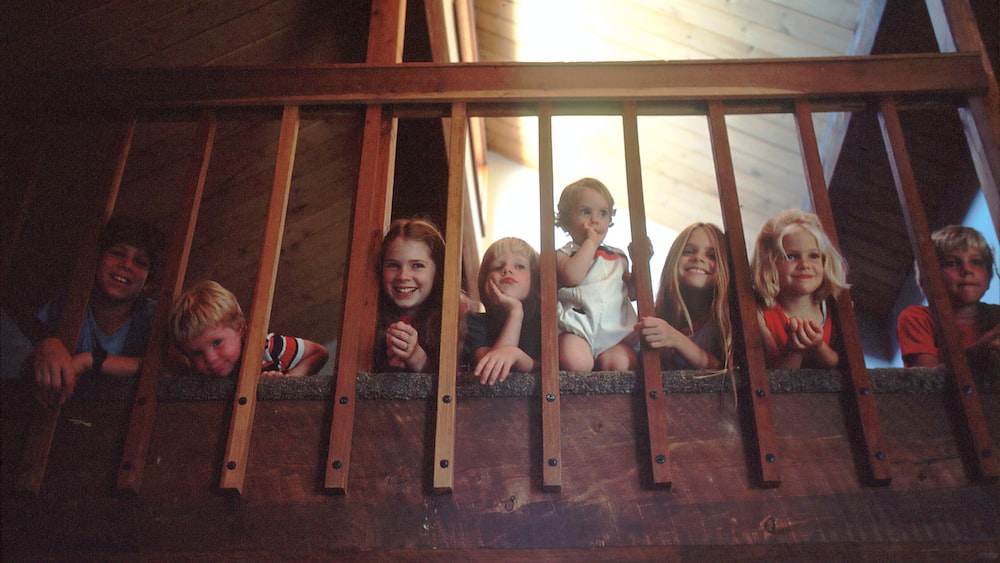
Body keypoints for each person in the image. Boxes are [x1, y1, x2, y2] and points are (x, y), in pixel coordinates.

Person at [32, 216, 166, 406]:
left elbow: (170, 366)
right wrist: (46, 344)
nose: (127, 265)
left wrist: (91, 361)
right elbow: (30, 356)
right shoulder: (69, 303)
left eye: (140, 262)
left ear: (149, 280)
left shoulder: (153, 317)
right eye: (118, 253)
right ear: (97, 260)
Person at [555, 177, 638, 372]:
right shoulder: (563, 254)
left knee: (622, 364)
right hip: (577, 327)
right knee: (576, 362)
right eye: (585, 212)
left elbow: (632, 293)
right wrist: (591, 243)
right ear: (566, 220)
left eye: (603, 213)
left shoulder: (618, 256)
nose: (595, 219)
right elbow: (572, 277)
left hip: (614, 333)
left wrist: (640, 262)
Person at [167, 280, 328, 377]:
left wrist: (289, 380)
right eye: (197, 353)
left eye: (217, 342)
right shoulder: (198, 373)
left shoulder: (268, 347)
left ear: (240, 329)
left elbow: (319, 353)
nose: (210, 358)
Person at [751, 209, 849, 369]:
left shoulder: (834, 309)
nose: (804, 265)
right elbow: (775, 379)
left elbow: (845, 367)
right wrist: (795, 350)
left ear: (825, 262)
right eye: (791, 256)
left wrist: (819, 347)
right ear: (770, 265)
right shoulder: (760, 313)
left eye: (813, 256)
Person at [897, 225, 1000, 373]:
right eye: (951, 263)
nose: (967, 270)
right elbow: (925, 381)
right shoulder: (918, 318)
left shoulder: (996, 314)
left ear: (989, 275)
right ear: (926, 279)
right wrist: (979, 352)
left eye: (976, 262)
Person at [636, 222, 733, 371]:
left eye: (712, 255)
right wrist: (638, 265)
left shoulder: (725, 319)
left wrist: (676, 339)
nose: (698, 258)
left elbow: (727, 373)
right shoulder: (658, 313)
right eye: (689, 251)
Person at [375, 217, 446, 372]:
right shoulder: (369, 322)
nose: (403, 276)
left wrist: (417, 358)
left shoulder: (453, 323)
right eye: (393, 265)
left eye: (417, 266)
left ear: (437, 272)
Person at [468, 237, 541, 385]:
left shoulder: (543, 322)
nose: (507, 269)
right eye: (497, 267)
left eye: (520, 266)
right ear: (485, 282)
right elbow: (491, 368)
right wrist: (515, 312)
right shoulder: (474, 322)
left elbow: (548, 368)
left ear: (535, 281)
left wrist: (517, 355)